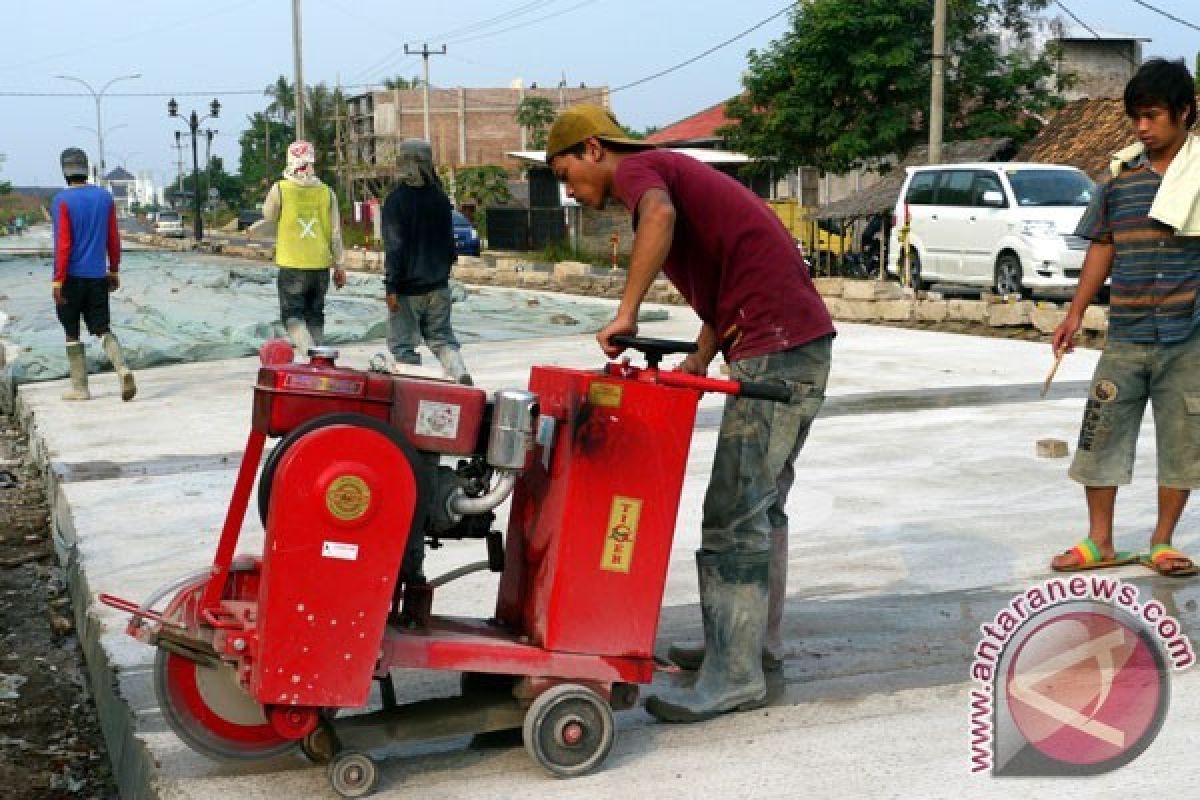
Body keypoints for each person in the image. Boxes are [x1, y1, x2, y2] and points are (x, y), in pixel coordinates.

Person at [545, 105, 836, 722]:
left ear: (593, 148)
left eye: (566, 172)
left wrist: (626, 313)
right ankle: (750, 647)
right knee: (761, 506)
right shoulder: (671, 172)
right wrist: (699, 364)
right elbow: (723, 290)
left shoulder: (643, 172)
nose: (568, 189)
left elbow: (659, 217)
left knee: (735, 509)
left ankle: (735, 675)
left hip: (780, 349)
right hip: (784, 341)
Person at [1049, 58, 1200, 577]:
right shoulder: (1118, 182)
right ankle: (1100, 542)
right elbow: (1101, 249)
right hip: (1126, 335)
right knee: (1102, 430)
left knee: (1184, 439)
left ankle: (1163, 541)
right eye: (1136, 117)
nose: (1141, 127)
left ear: (1183, 113)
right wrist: (1074, 314)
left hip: (1189, 336)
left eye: (1152, 116)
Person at [381, 138, 472, 385]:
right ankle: (459, 372)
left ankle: (411, 388)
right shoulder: (440, 199)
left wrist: (391, 286)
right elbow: (449, 245)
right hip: (439, 286)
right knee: (442, 339)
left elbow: (395, 247)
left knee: (403, 346)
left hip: (408, 290)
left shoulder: (395, 201)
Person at [50, 147, 136, 402]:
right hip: (98, 277)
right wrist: (114, 269)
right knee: (101, 327)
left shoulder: (61, 201)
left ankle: (80, 387)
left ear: (64, 171)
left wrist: (57, 280)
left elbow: (63, 244)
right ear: (86, 169)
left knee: (71, 331)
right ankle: (122, 368)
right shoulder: (105, 198)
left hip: (71, 278)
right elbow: (113, 238)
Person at [262, 140, 346, 354]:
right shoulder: (327, 193)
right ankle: (321, 360)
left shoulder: (280, 189)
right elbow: (335, 233)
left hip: (292, 266)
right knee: (315, 315)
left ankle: (311, 354)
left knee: (293, 316)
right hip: (320, 266)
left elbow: (268, 216)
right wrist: (340, 266)